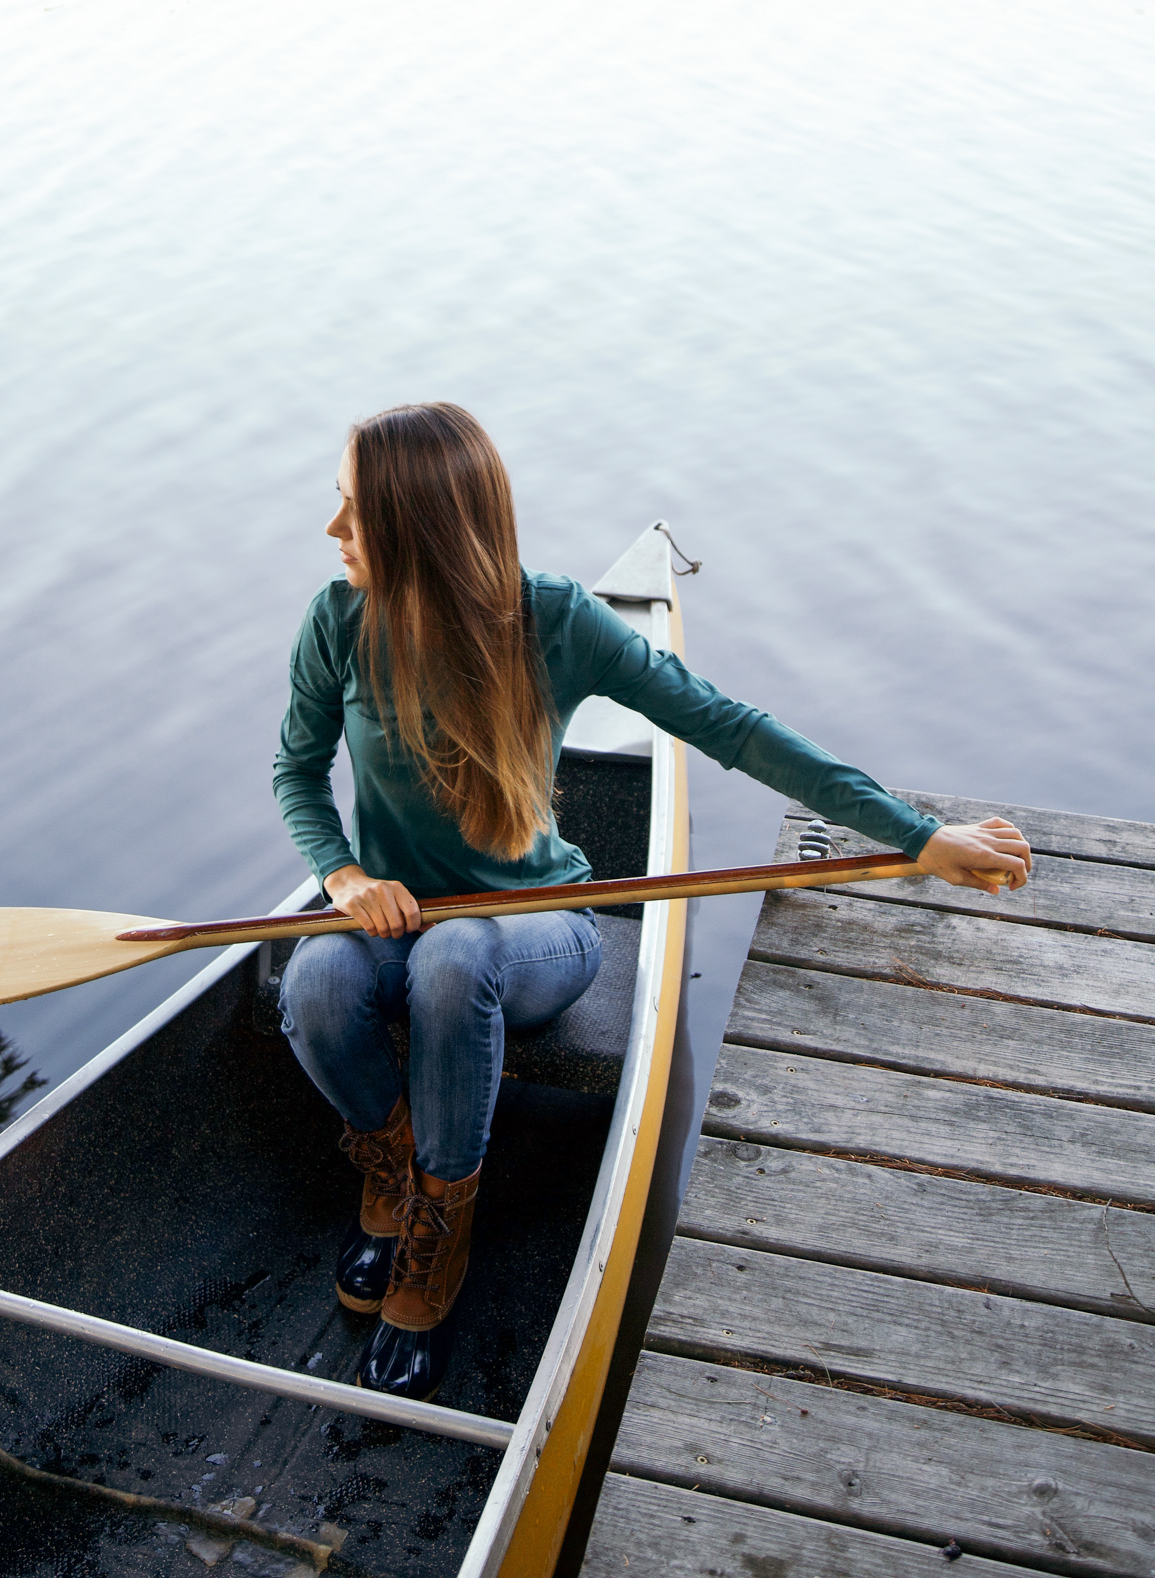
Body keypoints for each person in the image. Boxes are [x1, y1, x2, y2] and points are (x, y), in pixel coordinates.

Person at [272, 402, 1030, 1402]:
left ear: (418, 526)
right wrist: (344, 876)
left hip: (540, 932)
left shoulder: (551, 619)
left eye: (354, 512)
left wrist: (916, 834)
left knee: (458, 969)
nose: (333, 533)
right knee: (317, 976)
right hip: (395, 925)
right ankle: (394, 1165)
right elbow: (296, 771)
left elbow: (729, 726)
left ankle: (437, 1232)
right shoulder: (339, 622)